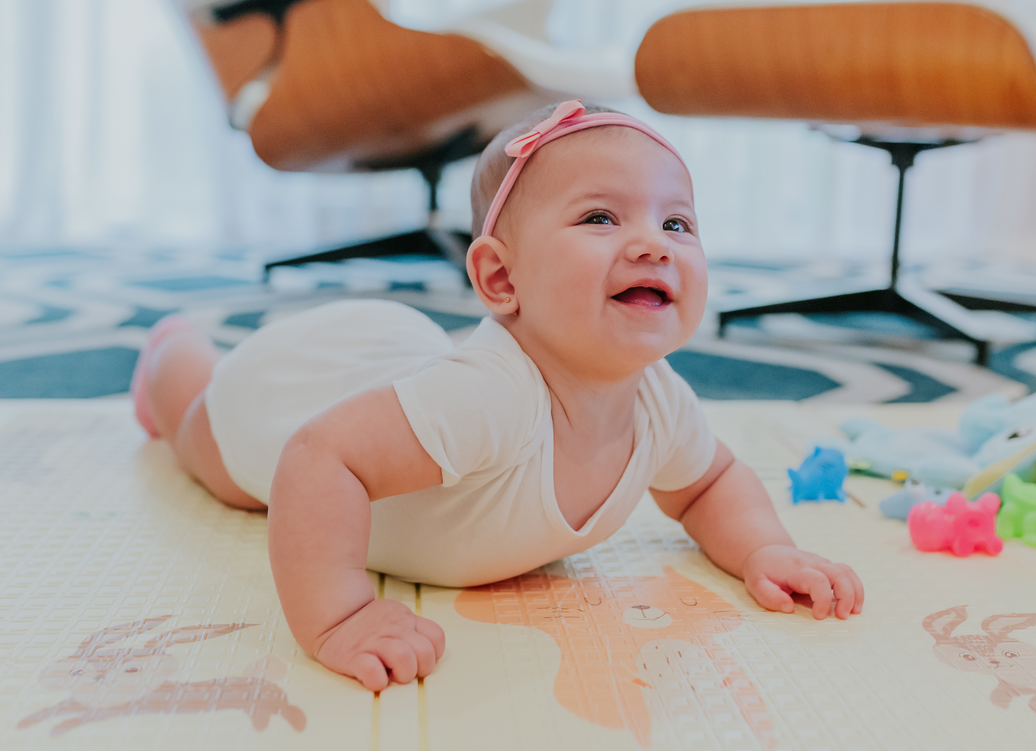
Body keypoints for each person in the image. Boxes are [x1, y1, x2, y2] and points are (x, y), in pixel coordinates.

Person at [130, 101, 865, 693]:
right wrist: (341, 615)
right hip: (303, 392)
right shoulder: (491, 396)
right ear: (502, 281)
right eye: (600, 218)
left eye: (676, 222)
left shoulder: (659, 399)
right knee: (209, 446)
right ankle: (173, 355)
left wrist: (766, 547)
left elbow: (707, 483)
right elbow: (318, 455)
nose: (654, 243)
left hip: (403, 375)